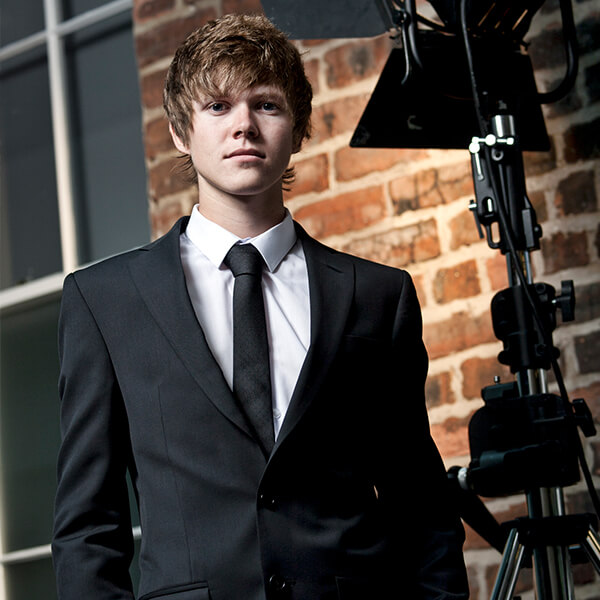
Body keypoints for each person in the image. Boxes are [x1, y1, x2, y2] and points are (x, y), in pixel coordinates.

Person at [52, 13, 469, 600]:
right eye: (217, 107)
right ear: (179, 131)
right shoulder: (105, 301)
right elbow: (88, 529)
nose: (243, 125)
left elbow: (419, 505)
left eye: (267, 105)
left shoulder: (378, 295)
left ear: (297, 129)